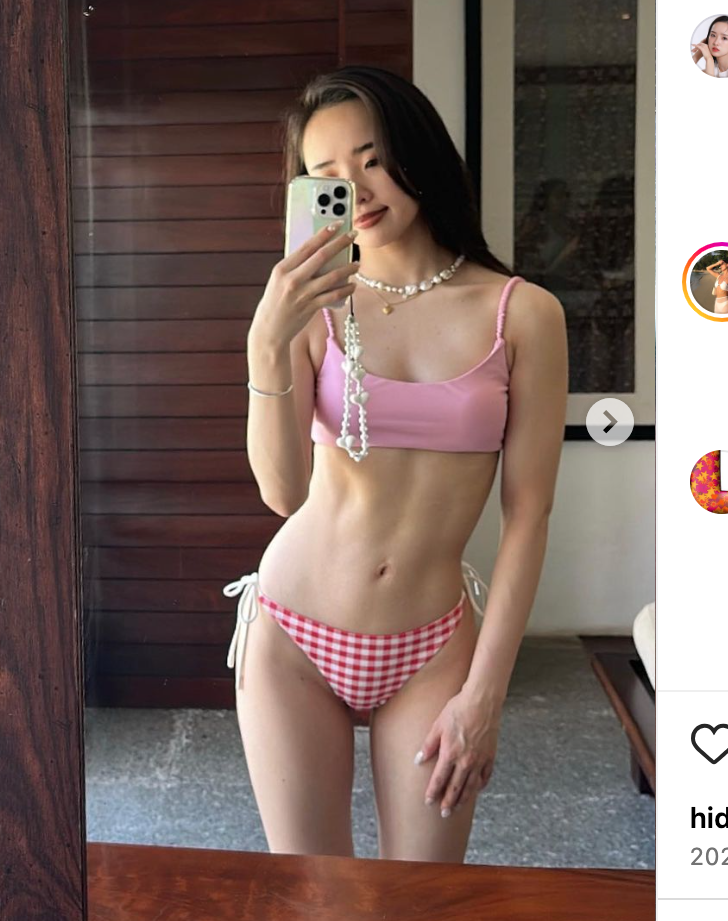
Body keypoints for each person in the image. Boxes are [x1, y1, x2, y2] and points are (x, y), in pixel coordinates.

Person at [222, 66, 567, 863]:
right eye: (329, 176)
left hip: (432, 645)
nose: (358, 190)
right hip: (294, 632)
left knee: (422, 899)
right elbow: (283, 491)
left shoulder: (523, 313)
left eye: (372, 159)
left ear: (419, 152)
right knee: (314, 897)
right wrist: (267, 343)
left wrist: (485, 697)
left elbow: (529, 516)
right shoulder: (313, 308)